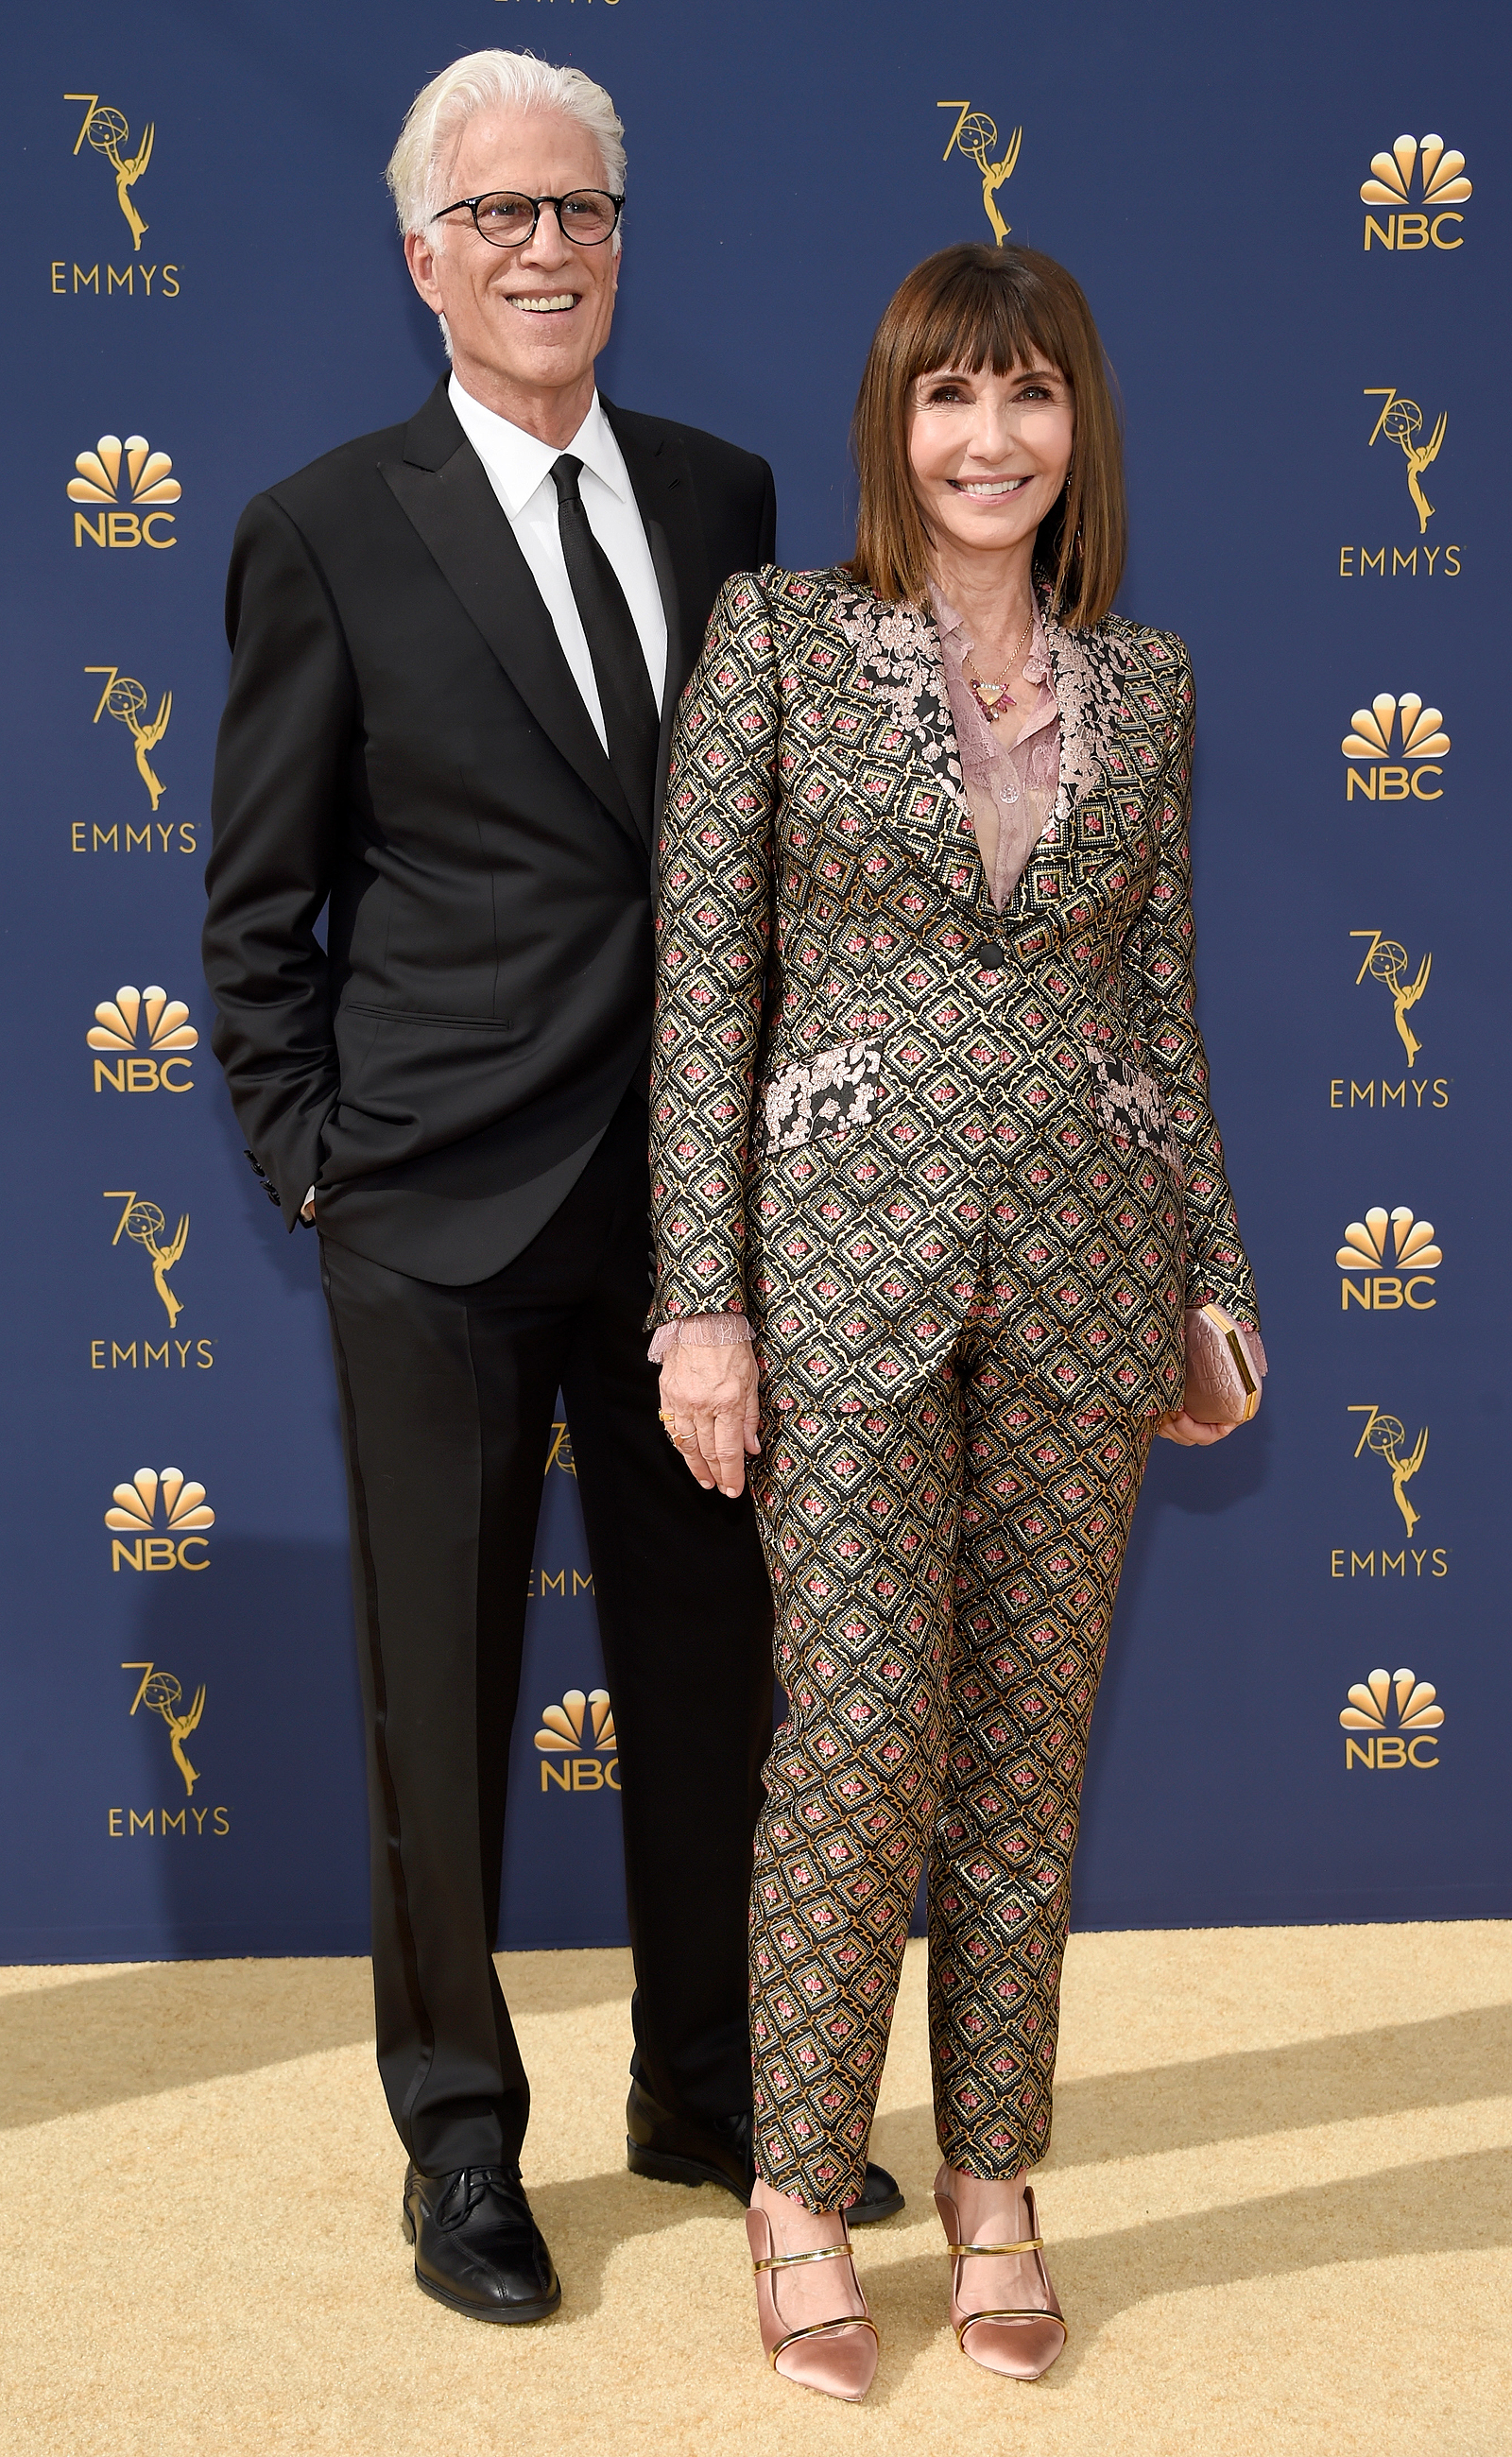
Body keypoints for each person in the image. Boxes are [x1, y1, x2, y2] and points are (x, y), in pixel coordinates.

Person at [202, 47, 898, 2329]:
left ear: (622, 240)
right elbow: (259, 904)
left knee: (717, 1671)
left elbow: (744, 865)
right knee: (444, 1682)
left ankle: (703, 2083)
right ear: (421, 259)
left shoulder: (723, 495)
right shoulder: (322, 527)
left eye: (577, 208)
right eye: (496, 215)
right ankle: (462, 2142)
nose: (542, 248)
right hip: (433, 1217)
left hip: (695, 1224)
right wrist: (317, 1172)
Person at [649, 241, 1264, 2399]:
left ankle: (993, 2180)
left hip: (1088, 1272)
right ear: (889, 429)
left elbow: (1156, 1009)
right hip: (840, 1272)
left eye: (1026, 398)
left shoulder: (1151, 680)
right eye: (946, 400)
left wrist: (1212, 1276)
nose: (986, 440)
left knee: (1015, 1767)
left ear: (1075, 427)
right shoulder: (781, 646)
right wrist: (696, 1304)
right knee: (857, 1733)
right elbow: (704, 986)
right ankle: (800, 2192)